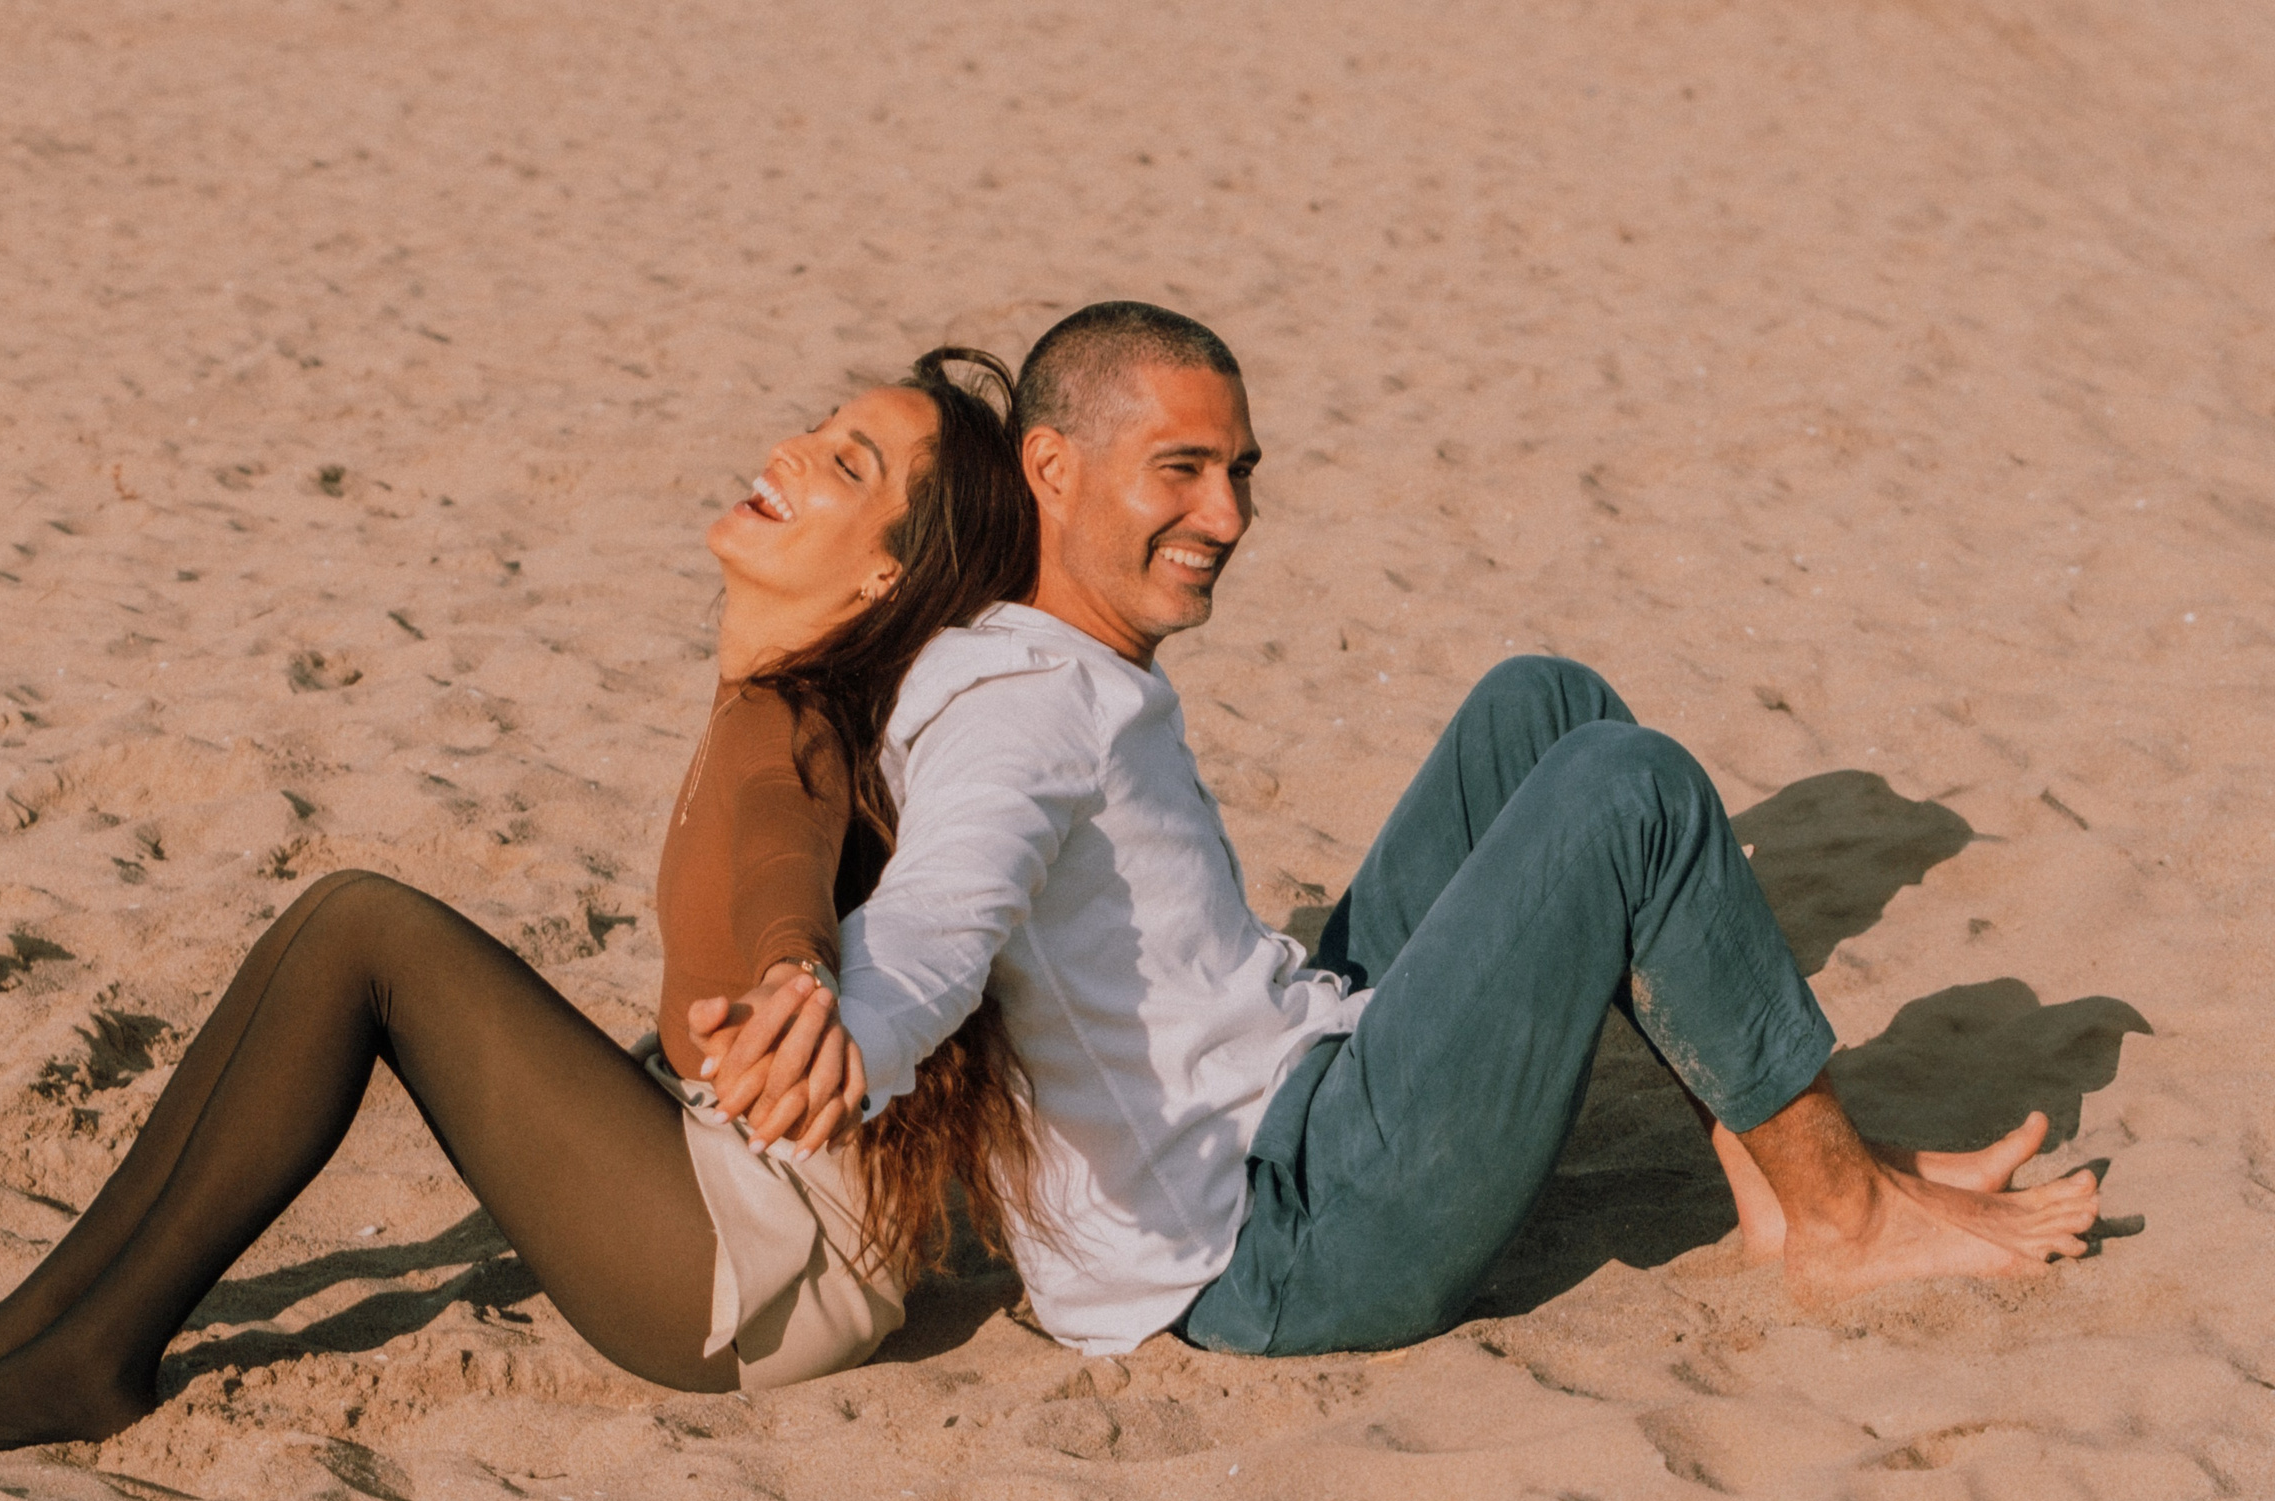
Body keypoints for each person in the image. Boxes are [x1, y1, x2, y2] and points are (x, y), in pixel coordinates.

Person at [695, 302, 2105, 1361]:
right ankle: (1843, 1220)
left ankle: (1786, 1172)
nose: (1227, 513)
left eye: (1241, 470)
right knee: (1628, 783)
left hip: (1303, 1090)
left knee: (1541, 707)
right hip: (1276, 1243)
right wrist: (842, 1023)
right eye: (1180, 469)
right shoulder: (1015, 710)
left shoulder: (1061, 660)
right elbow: (949, 908)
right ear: (1053, 468)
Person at [0, 347, 1043, 1455]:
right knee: (323, 918)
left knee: (368, 930)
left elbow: (788, 853)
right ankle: (64, 1295)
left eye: (846, 465)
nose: (792, 449)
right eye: (821, 426)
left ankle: (98, 1356)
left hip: (751, 1279)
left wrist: (797, 969)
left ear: (888, 570)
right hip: (743, 1199)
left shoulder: (797, 724)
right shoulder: (776, 691)